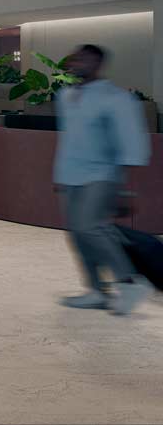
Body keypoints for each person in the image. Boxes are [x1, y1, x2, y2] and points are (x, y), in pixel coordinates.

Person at [55, 44, 151, 315]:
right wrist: (60, 175)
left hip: (102, 174)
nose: (77, 63)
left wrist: (124, 189)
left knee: (89, 228)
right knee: (77, 234)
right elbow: (71, 139)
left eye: (84, 59)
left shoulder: (116, 98)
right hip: (70, 175)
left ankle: (129, 281)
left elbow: (131, 143)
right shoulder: (66, 96)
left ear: (98, 64)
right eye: (75, 59)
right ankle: (96, 291)